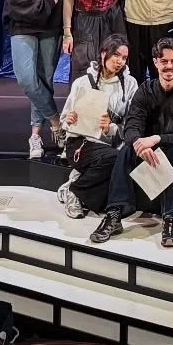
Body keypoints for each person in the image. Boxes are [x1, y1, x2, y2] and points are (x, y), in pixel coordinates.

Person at [89, 38, 173, 249]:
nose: (169, 66)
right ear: (155, 62)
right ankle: (114, 215)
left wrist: (157, 139)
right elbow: (132, 127)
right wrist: (139, 145)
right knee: (126, 149)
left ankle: (170, 218)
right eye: (164, 61)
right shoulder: (145, 90)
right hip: (149, 151)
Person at [3, 0, 68, 159]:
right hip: (24, 26)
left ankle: (35, 137)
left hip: (51, 28)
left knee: (44, 81)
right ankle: (56, 123)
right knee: (27, 80)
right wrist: (45, 3)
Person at [57, 34, 137, 219]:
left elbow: (132, 123)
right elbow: (63, 121)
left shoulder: (130, 84)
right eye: (116, 55)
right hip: (81, 144)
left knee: (123, 161)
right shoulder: (82, 82)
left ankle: (75, 186)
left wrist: (111, 128)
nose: (119, 62)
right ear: (103, 53)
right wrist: (68, 120)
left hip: (111, 143)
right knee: (116, 160)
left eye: (124, 58)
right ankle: (76, 193)